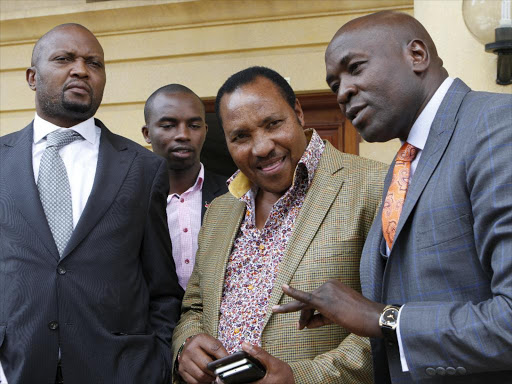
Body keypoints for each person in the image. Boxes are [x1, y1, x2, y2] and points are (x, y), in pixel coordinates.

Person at [273, 11, 512, 383]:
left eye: (355, 68)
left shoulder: (496, 127)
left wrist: (381, 318)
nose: (342, 93)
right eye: (335, 84)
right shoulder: (403, 166)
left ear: (416, 55)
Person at [171, 66, 388, 384]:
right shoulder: (219, 210)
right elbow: (194, 306)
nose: (261, 147)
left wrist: (299, 378)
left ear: (298, 113)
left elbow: (392, 319)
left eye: (272, 124)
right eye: (240, 137)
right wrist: (186, 345)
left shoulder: (374, 186)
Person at [0, 23, 183, 384]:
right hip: (15, 369)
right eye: (64, 58)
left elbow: (161, 286)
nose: (81, 69)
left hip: (119, 371)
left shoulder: (143, 169)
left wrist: (157, 364)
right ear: (32, 77)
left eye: (94, 63)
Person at [142, 84, 228, 290]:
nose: (183, 134)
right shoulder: (131, 197)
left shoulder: (233, 194)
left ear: (205, 132)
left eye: (194, 125)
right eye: (168, 125)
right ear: (147, 133)